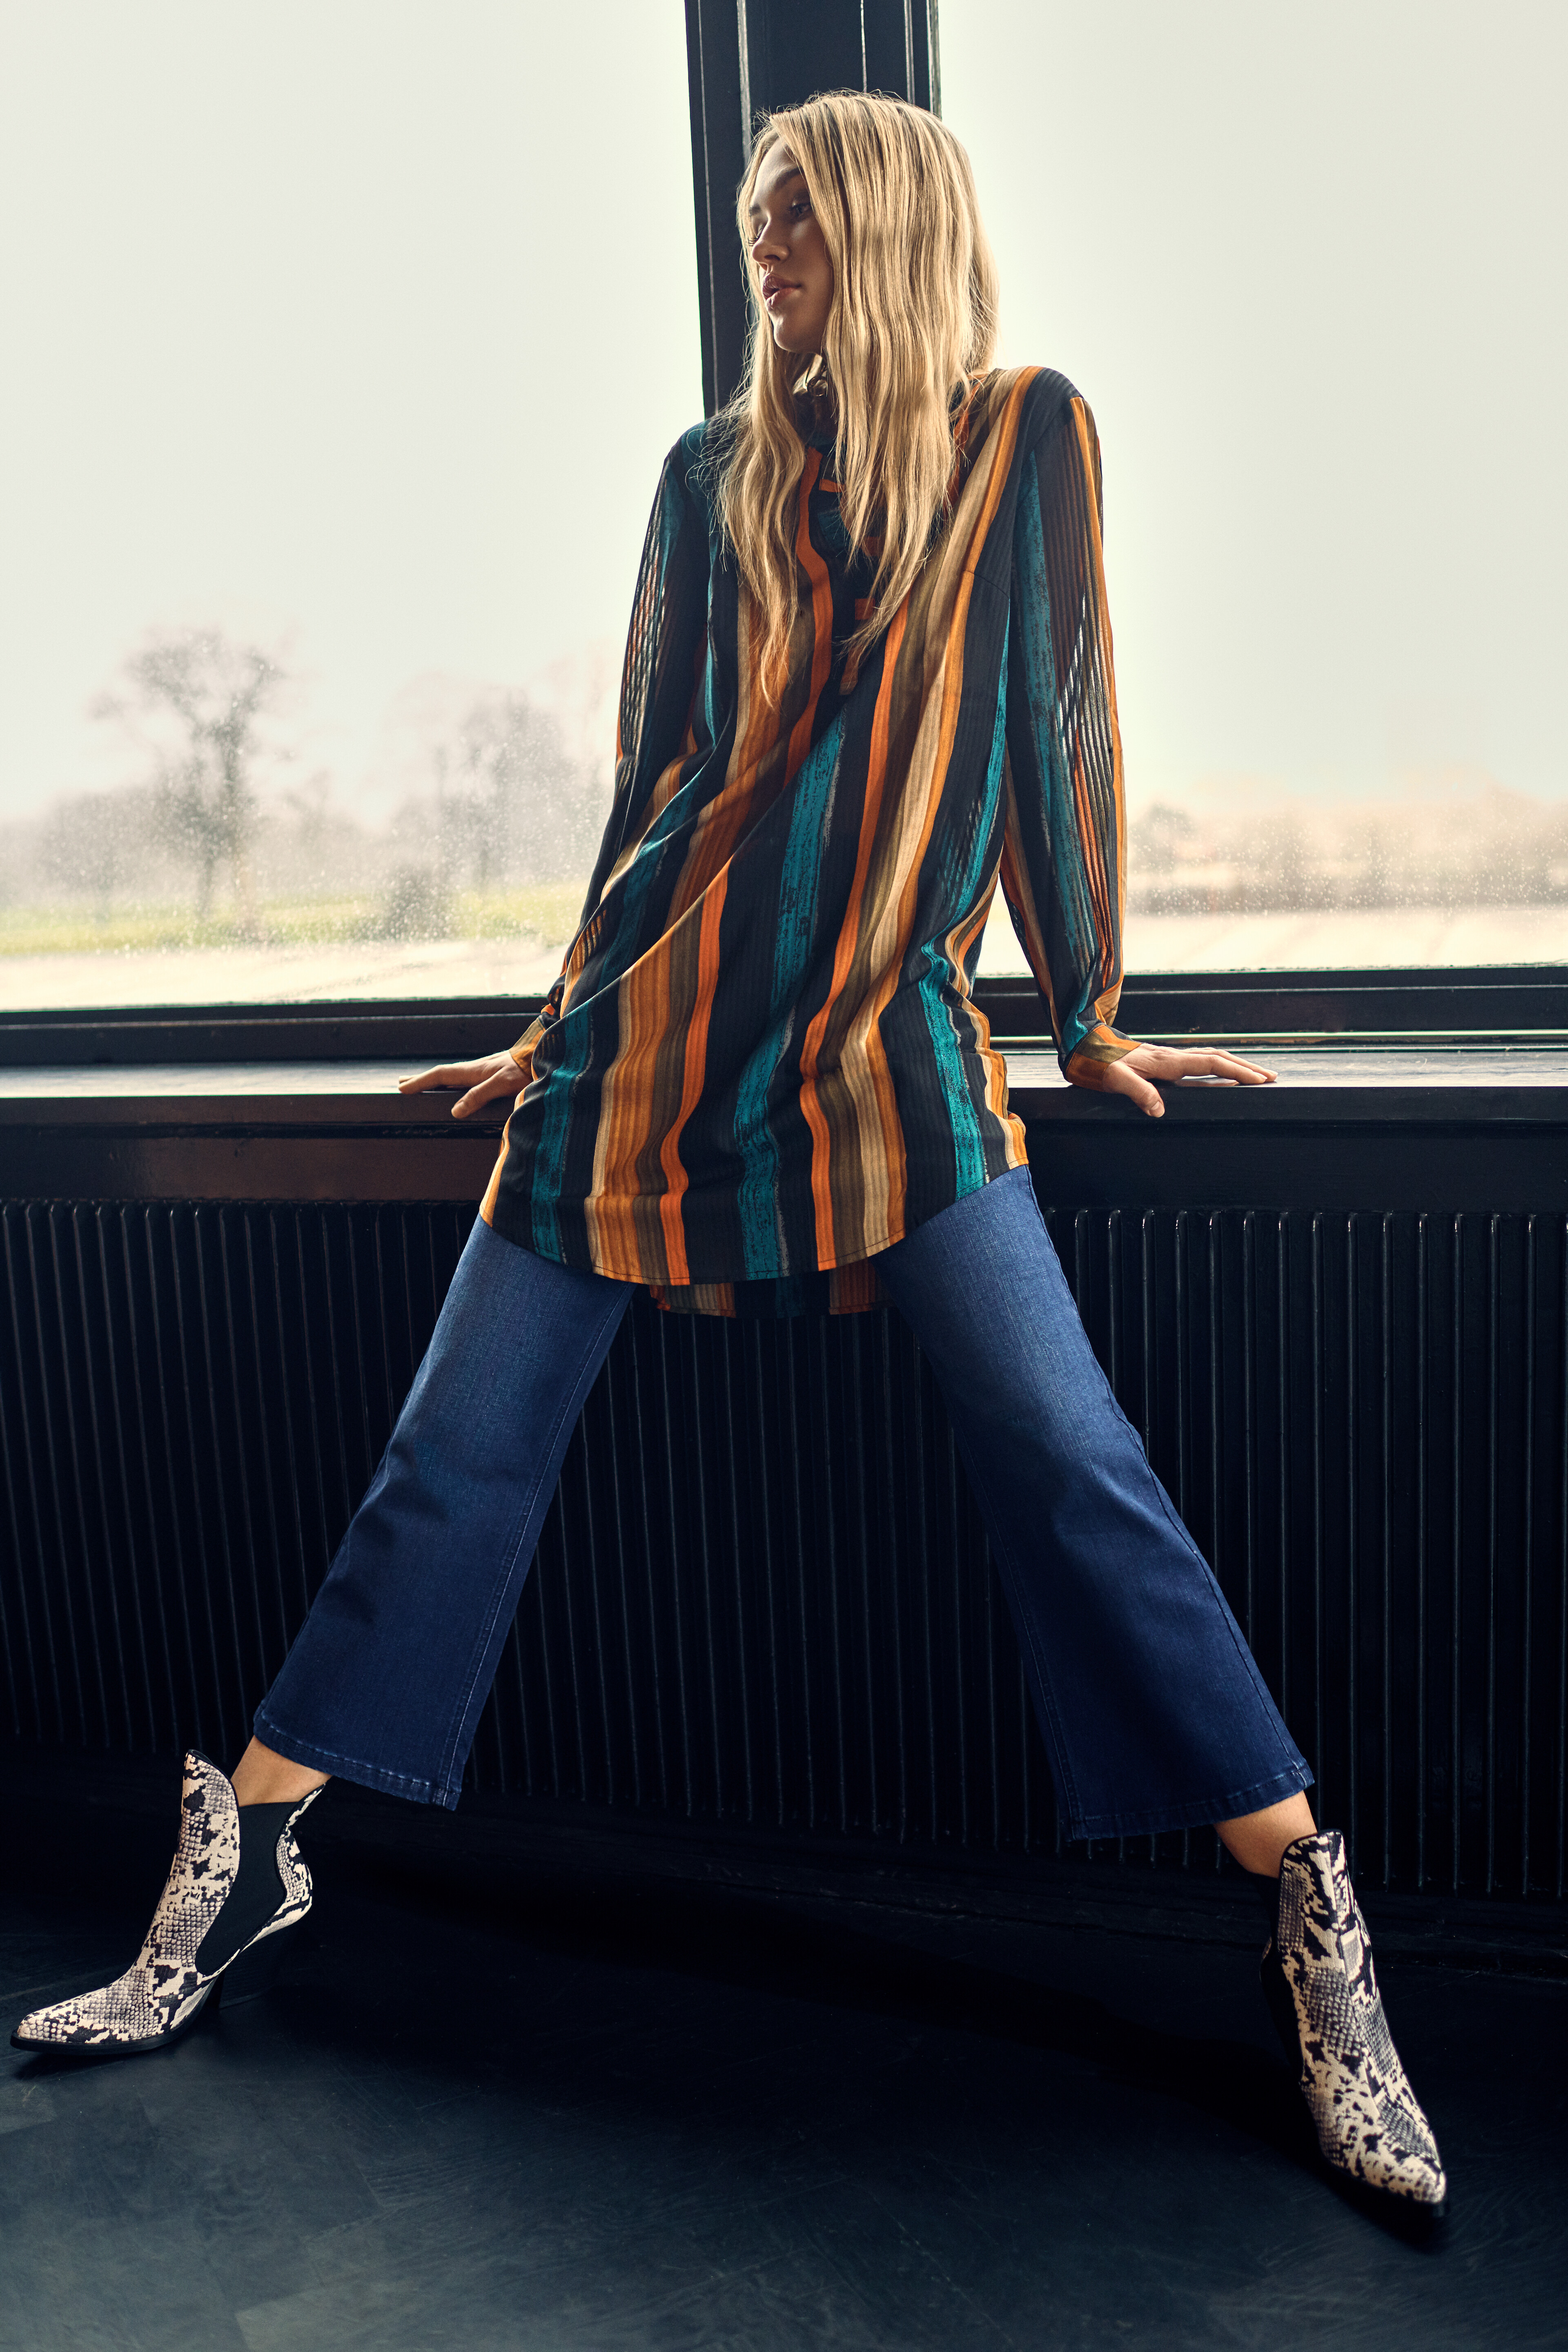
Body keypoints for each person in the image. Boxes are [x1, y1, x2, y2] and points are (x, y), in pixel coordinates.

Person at [13, 91, 1443, 2209]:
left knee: (1072, 1458)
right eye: (755, 209)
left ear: (889, 225)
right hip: (646, 1043)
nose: (764, 239)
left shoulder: (1027, 435)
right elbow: (652, 783)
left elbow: (1060, 724)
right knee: (448, 1459)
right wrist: (551, 1023)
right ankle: (246, 1869)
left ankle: (1310, 1912)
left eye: (800, 210)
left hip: (886, 1047)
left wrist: (1087, 1011)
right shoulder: (710, 480)